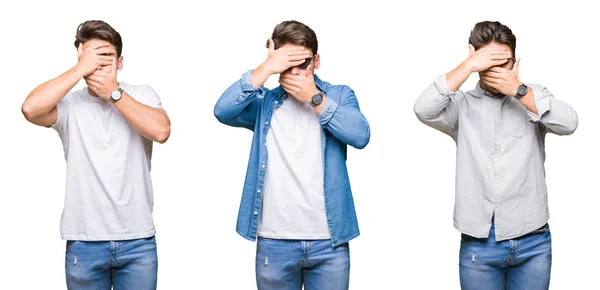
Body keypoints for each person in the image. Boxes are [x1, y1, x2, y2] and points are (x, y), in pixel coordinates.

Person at [414, 20, 578, 290]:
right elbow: (423, 108)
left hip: (533, 242)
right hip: (479, 245)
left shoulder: (533, 97)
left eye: (505, 63)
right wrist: (467, 66)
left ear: (516, 62)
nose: (498, 72)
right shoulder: (461, 105)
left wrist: (519, 90)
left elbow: (569, 123)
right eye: (488, 63)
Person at [214, 20, 370, 289]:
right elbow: (222, 110)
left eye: (302, 63)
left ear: (316, 60)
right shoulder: (263, 103)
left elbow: (360, 135)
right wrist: (265, 68)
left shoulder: (338, 95)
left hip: (329, 242)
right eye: (286, 63)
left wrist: (315, 98)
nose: (295, 71)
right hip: (274, 242)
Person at [21, 20, 171, 289]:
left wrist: (114, 93)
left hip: (137, 241)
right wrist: (80, 69)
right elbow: (30, 109)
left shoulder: (141, 94)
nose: (97, 68)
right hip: (84, 241)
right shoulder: (69, 104)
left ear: (120, 62)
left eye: (106, 60)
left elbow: (161, 131)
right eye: (92, 60)